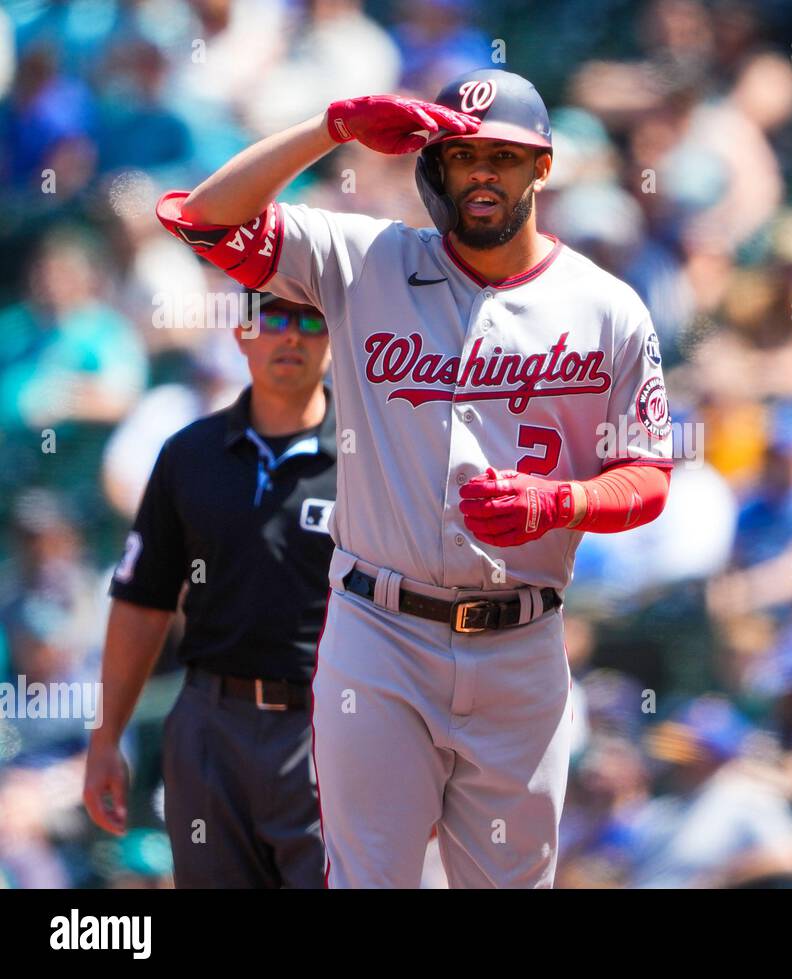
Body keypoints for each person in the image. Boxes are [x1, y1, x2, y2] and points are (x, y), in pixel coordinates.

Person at [155, 69, 674, 888]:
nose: (481, 174)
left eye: (504, 157)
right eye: (462, 155)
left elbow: (646, 476)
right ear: (435, 164)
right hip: (379, 630)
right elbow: (205, 215)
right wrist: (329, 126)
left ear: (542, 168)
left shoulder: (608, 308)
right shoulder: (366, 259)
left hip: (522, 640)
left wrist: (562, 501)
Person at [83, 291, 336, 887]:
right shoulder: (189, 453)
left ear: (336, 340)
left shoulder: (372, 457)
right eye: (273, 319)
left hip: (332, 725)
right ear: (243, 335)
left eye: (311, 321)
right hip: (210, 723)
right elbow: (142, 602)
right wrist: (106, 738)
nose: (291, 337)